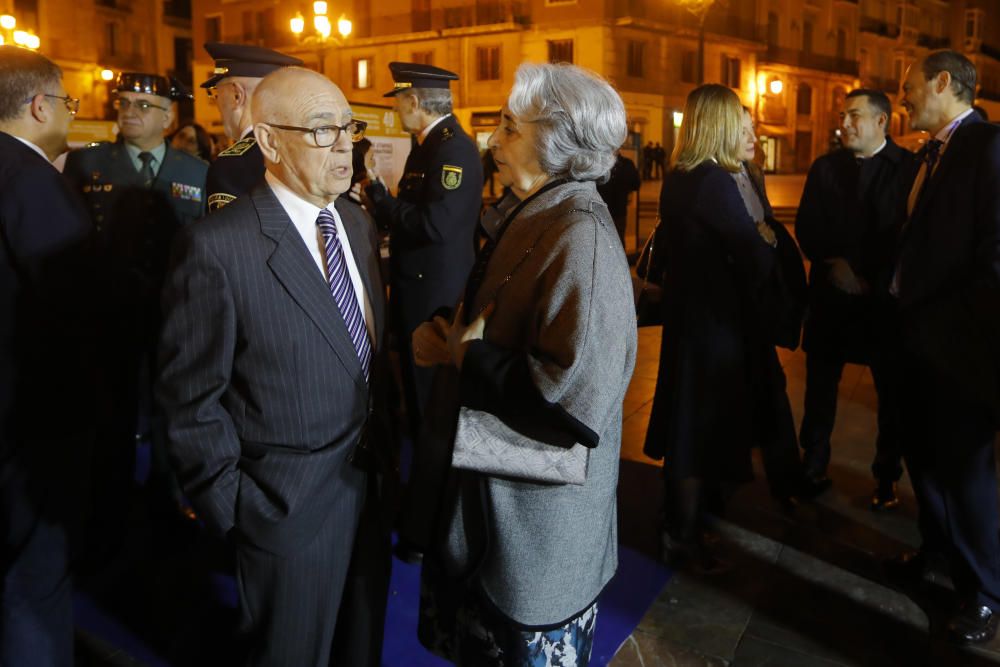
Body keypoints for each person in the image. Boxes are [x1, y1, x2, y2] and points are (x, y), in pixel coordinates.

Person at [157, 66, 391, 666]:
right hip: (283, 513)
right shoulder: (218, 247)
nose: (345, 145)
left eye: (349, 126)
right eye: (322, 130)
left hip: (370, 495)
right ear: (268, 141)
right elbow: (190, 399)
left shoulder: (358, 225)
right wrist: (237, 509)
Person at [405, 62, 636, 665]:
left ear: (557, 139)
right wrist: (451, 338)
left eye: (508, 127)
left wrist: (469, 355)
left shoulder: (579, 233)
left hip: (532, 536)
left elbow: (574, 401)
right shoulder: (539, 209)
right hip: (494, 519)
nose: (491, 140)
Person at [642, 85, 808, 572]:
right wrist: (763, 242)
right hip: (712, 329)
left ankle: (687, 524)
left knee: (697, 424)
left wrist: (758, 239)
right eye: (743, 121)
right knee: (694, 431)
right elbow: (756, 253)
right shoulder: (711, 181)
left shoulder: (686, 177)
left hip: (701, 324)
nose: (752, 130)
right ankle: (681, 535)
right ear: (718, 125)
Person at [63, 72, 208, 545]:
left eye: (143, 106)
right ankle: (111, 504)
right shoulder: (86, 166)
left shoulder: (195, 172)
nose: (128, 111)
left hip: (174, 317)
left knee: (173, 410)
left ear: (168, 117)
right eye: (123, 102)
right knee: (113, 411)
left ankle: (168, 497)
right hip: (110, 317)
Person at [887, 50, 1000, 645]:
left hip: (957, 350)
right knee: (924, 461)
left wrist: (960, 333)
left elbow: (996, 258)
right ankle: (935, 554)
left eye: (909, 87)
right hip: (913, 342)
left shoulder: (988, 146)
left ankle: (983, 593)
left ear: (943, 82)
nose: (902, 97)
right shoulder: (926, 155)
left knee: (967, 474)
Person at [0, 45, 93, 667]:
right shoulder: (35, 183)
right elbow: (76, 313)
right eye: (67, 100)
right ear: (40, 105)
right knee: (34, 586)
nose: (70, 111)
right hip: (25, 426)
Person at [795, 89, 910, 508]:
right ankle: (814, 461)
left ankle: (886, 475)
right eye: (843, 115)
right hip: (831, 300)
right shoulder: (825, 168)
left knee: (891, 396)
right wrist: (834, 263)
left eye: (854, 116)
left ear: (883, 122)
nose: (843, 123)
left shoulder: (908, 169)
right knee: (820, 389)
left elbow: (906, 237)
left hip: (883, 307)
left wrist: (869, 281)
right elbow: (807, 225)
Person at [364, 62, 483, 438]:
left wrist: (382, 201)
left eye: (399, 102)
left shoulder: (453, 150)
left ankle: (430, 479)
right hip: (415, 285)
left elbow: (436, 224)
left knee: (430, 392)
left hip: (433, 292)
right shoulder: (429, 146)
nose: (397, 111)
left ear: (414, 101)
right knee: (417, 388)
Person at [201, 42, 303, 211]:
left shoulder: (233, 165)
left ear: (237, 95)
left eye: (216, 93)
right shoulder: (304, 149)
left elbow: (231, 236)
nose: (216, 101)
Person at [597, 150, 641, 245]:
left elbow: (636, 184)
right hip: (618, 210)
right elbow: (636, 184)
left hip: (602, 210)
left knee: (602, 242)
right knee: (618, 242)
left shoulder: (599, 162)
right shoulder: (627, 164)